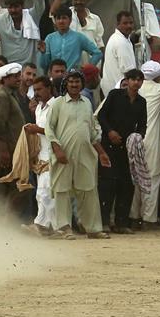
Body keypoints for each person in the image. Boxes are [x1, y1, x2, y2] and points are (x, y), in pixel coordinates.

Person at [46, 70, 112, 239]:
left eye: (77, 82)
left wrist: (102, 153)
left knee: (89, 190)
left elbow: (92, 131)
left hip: (85, 154)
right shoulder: (58, 104)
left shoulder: (87, 103)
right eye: (71, 82)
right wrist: (57, 149)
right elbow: (49, 128)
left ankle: (93, 229)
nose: (74, 85)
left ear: (82, 84)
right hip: (63, 155)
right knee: (62, 191)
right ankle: (64, 228)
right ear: (66, 84)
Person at [97, 69, 147, 233]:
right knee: (107, 184)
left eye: (139, 80)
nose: (136, 83)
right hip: (109, 146)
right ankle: (104, 222)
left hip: (128, 149)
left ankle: (121, 224)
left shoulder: (141, 102)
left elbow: (142, 125)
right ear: (127, 80)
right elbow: (102, 116)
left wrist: (137, 137)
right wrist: (110, 132)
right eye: (133, 79)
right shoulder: (114, 95)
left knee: (126, 185)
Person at [0, 63, 26, 215]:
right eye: (14, 76)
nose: (19, 79)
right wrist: (3, 150)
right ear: (4, 79)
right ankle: (5, 221)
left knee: (13, 186)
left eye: (19, 76)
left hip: (15, 149)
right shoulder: (2, 96)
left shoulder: (11, 95)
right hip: (8, 150)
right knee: (12, 187)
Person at [134, 61, 160, 227]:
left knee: (135, 177)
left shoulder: (134, 88)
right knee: (152, 178)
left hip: (134, 138)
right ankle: (148, 218)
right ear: (159, 76)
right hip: (152, 139)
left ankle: (133, 216)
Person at [25, 76, 55, 234]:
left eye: (40, 89)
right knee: (42, 192)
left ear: (49, 88)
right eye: (35, 90)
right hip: (41, 155)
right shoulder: (39, 108)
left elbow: (58, 131)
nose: (37, 93)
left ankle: (48, 226)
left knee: (48, 191)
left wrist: (37, 130)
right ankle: (44, 225)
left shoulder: (56, 106)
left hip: (53, 154)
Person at [0, 0, 44, 66]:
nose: (13, 10)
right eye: (10, 7)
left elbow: (39, 4)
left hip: (30, 67)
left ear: (22, 6)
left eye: (16, 7)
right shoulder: (1, 19)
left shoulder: (31, 16)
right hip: (9, 67)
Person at [39, 6, 102, 72]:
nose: (61, 21)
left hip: (73, 76)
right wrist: (43, 53)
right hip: (56, 76)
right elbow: (44, 66)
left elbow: (97, 53)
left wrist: (87, 68)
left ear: (70, 20)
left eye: (64, 18)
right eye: (58, 18)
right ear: (55, 21)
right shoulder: (50, 38)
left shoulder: (78, 37)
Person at [101, 11, 137, 93]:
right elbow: (129, 71)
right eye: (125, 23)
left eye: (131, 23)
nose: (129, 26)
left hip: (113, 89)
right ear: (118, 24)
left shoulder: (120, 38)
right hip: (119, 90)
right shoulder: (120, 42)